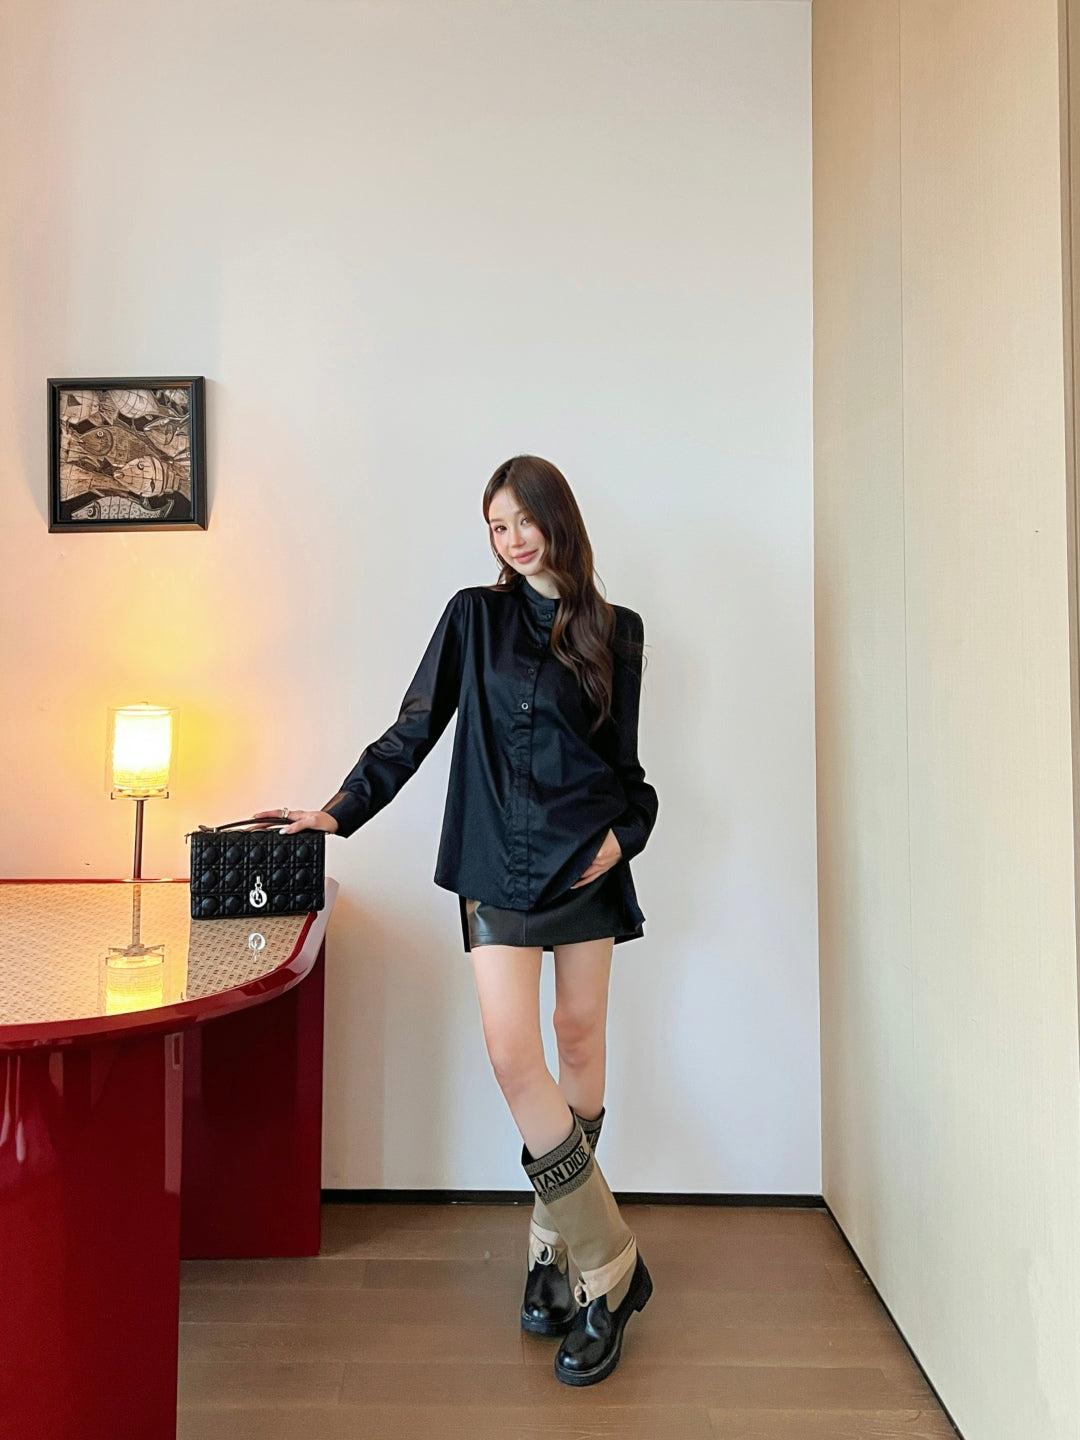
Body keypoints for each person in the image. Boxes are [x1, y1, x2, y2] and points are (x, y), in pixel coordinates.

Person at [254, 454, 659, 1386]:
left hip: (587, 860)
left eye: (522, 521)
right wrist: (338, 810)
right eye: (495, 527)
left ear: (558, 518)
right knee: (516, 1056)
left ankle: (551, 1250)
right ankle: (612, 1266)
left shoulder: (620, 632)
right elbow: (415, 727)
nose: (510, 540)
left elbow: (630, 776)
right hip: (494, 863)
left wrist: (624, 839)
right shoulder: (472, 617)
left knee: (578, 1039)